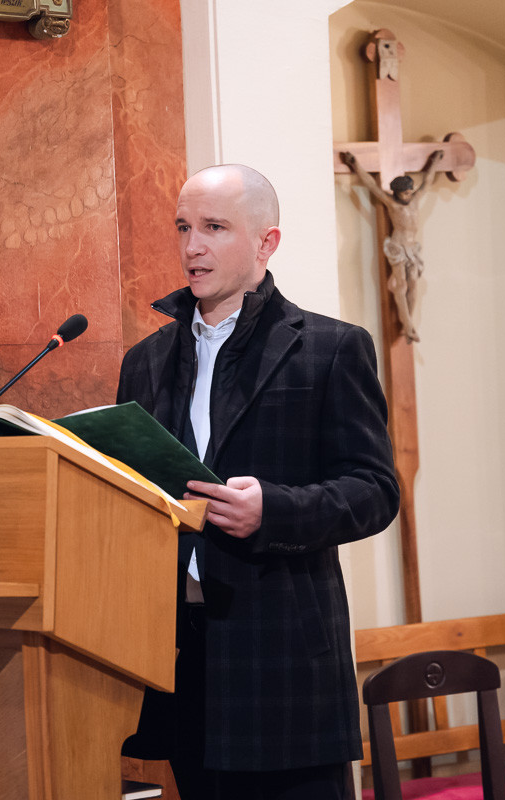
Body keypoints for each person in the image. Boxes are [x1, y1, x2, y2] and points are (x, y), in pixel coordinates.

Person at [117, 164, 400, 800]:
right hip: (180, 655)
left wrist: (274, 511)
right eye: (183, 227)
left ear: (266, 242)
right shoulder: (146, 362)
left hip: (282, 657)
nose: (192, 246)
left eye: (214, 227)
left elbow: (376, 490)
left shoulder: (329, 348)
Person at [341, 150, 443, 343]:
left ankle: (408, 322)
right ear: (397, 193)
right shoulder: (392, 203)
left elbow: (427, 181)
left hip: (412, 248)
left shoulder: (415, 200)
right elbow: (371, 185)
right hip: (398, 246)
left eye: (410, 191)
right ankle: (409, 326)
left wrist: (435, 162)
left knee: (413, 284)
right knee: (401, 285)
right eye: (405, 192)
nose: (409, 194)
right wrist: (355, 164)